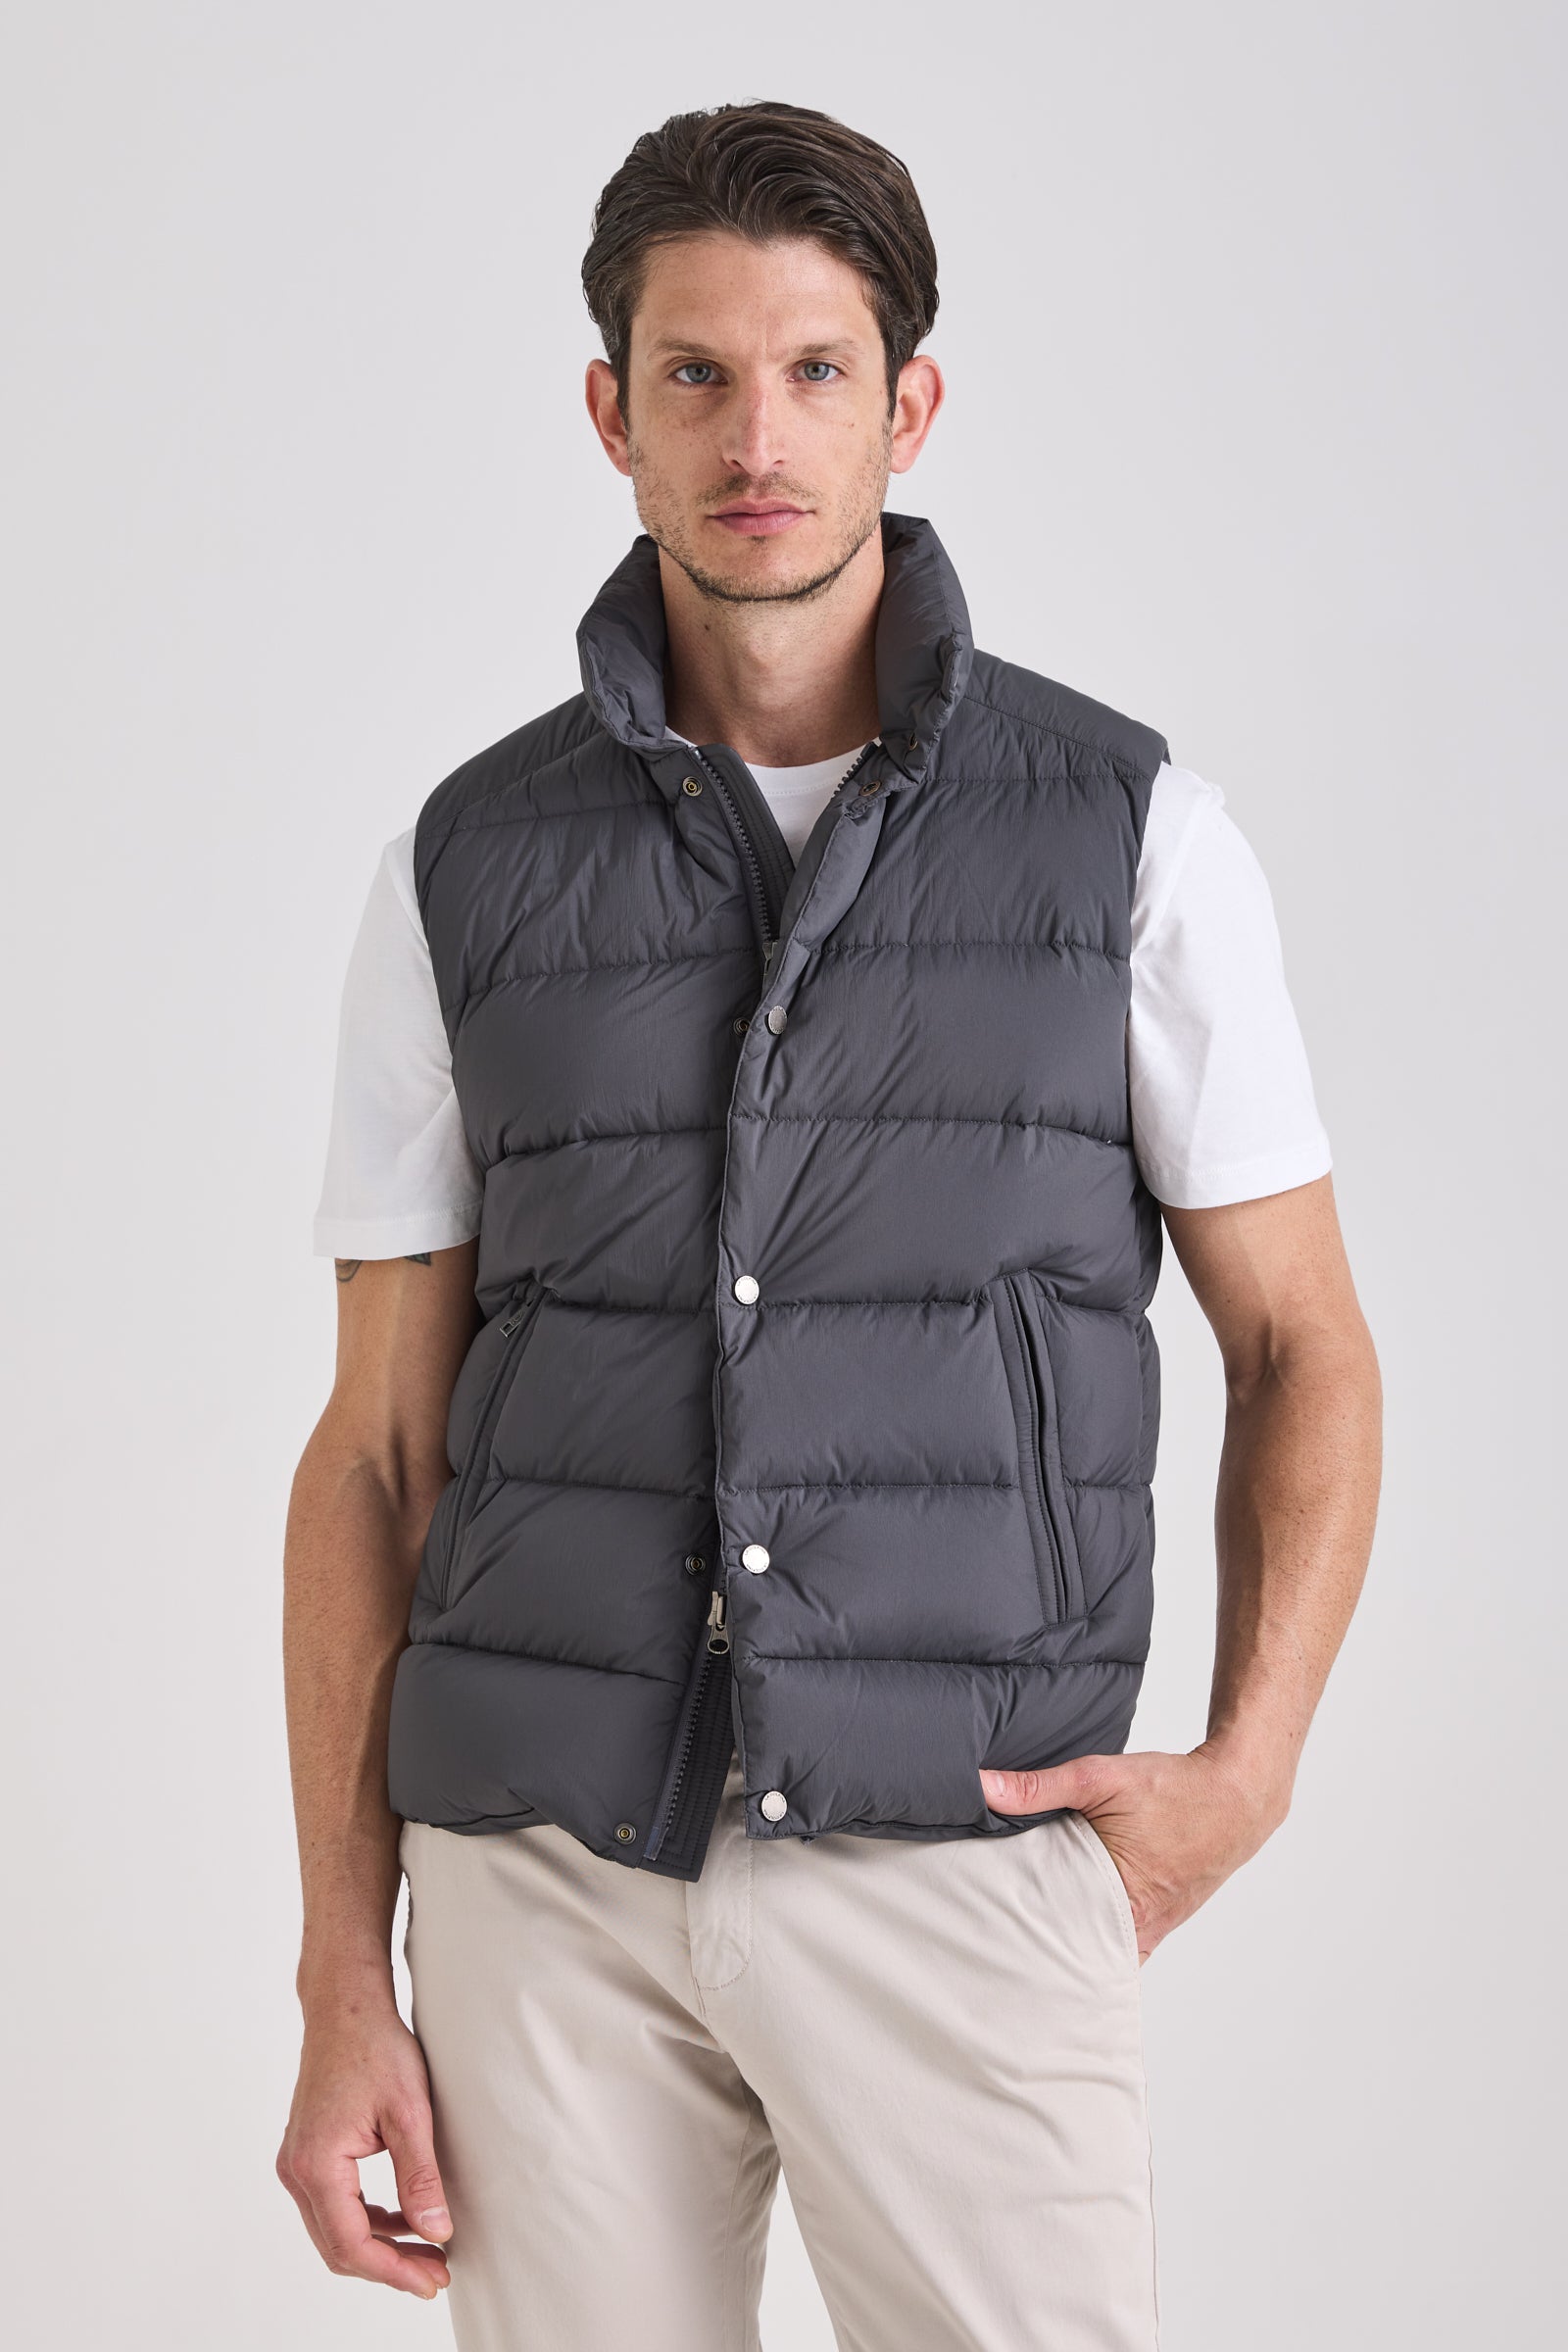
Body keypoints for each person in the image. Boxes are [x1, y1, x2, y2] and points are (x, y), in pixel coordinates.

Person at [275, 99, 1382, 2352]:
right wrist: (337, 1971)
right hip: (542, 1886)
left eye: (811, 370)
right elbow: (375, 1451)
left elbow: (1303, 1348)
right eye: (694, 374)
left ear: (909, 404)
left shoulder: (1128, 838)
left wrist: (1242, 1777)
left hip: (957, 1858)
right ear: (611, 413)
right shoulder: (464, 865)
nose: (754, 437)